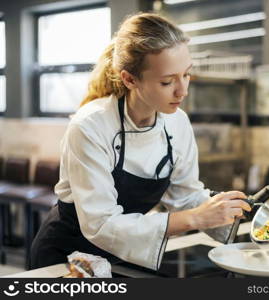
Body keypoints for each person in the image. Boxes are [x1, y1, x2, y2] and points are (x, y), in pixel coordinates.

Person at [30, 12, 251, 271]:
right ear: (129, 79)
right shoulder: (90, 126)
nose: (183, 90)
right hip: (67, 257)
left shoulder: (177, 122)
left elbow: (185, 196)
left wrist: (243, 214)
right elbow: (100, 224)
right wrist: (193, 218)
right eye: (167, 81)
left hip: (125, 253)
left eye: (187, 75)